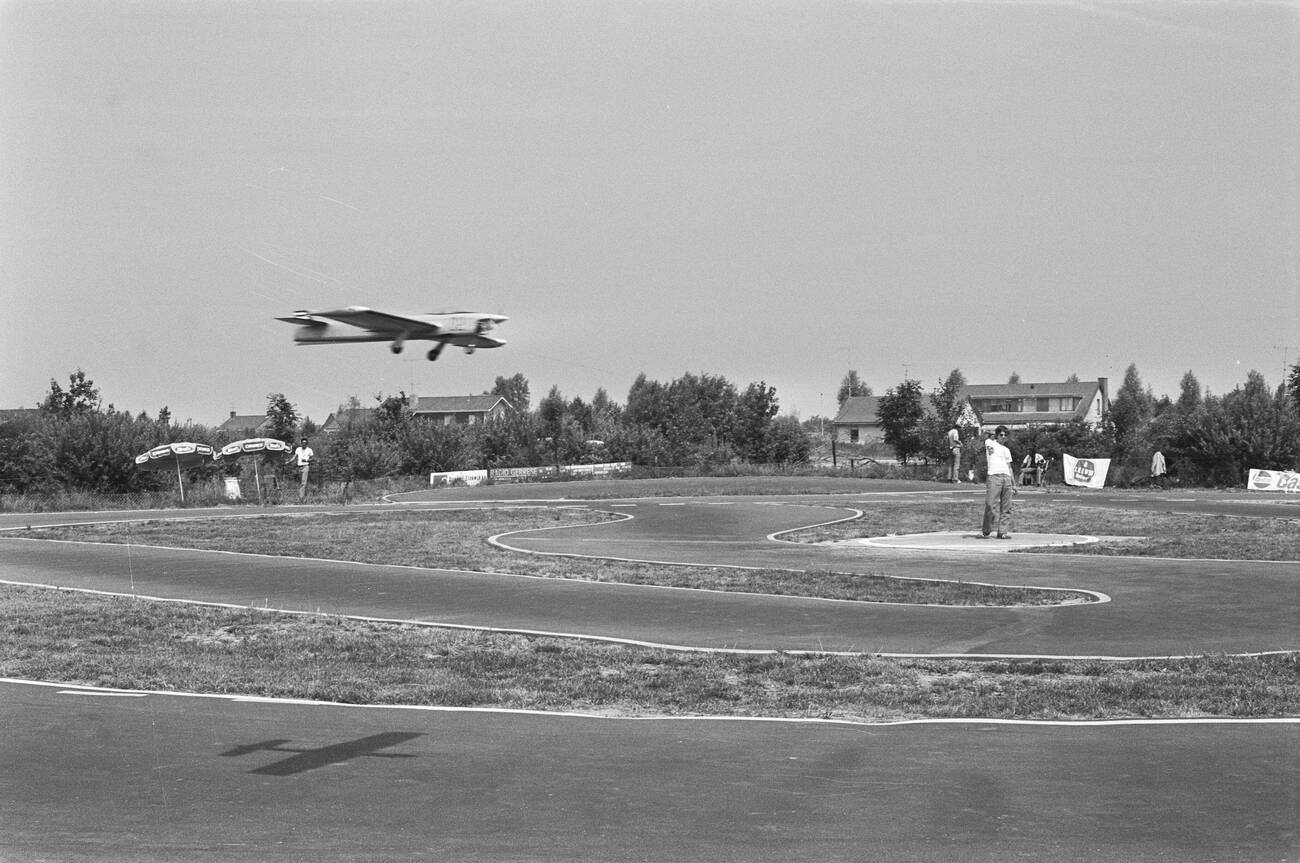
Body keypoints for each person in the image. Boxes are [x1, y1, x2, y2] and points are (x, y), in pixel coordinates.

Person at [980, 425, 1017, 539]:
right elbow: (984, 435)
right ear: (997, 435)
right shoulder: (990, 443)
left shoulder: (1006, 450)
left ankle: (1002, 531)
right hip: (994, 476)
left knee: (1007, 507)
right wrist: (992, 433)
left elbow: (1009, 467)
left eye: (1005, 435)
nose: (1003, 437)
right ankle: (986, 529)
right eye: (1001, 434)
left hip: (1006, 477)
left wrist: (1014, 484)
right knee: (990, 505)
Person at [288, 436, 314, 502]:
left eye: (305, 443)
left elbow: (312, 459)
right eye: (302, 443)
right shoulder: (298, 449)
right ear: (301, 443)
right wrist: (288, 461)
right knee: (299, 482)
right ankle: (300, 496)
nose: (303, 444)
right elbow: (294, 457)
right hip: (299, 467)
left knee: (303, 483)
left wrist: (307, 460)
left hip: (305, 466)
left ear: (307, 443)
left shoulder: (309, 450)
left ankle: (301, 498)